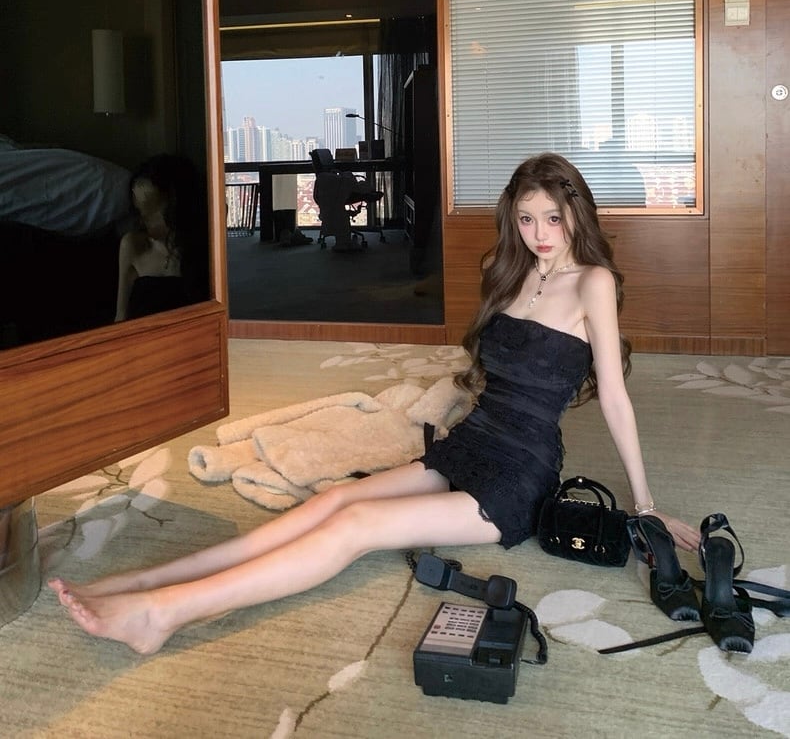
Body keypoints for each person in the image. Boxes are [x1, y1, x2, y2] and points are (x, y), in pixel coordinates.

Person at [49, 152, 700, 654]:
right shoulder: (511, 274)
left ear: (576, 212)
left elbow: (615, 398)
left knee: (354, 529)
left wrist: (645, 506)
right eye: (526, 219)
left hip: (519, 475)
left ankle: (163, 613)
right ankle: (146, 581)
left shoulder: (593, 282)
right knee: (332, 500)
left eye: (552, 218)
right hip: (472, 442)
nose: (539, 233)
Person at [115, 154, 208, 321]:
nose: (143, 220)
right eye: (139, 211)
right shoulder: (133, 246)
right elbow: (121, 317)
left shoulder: (201, 250)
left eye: (152, 211)